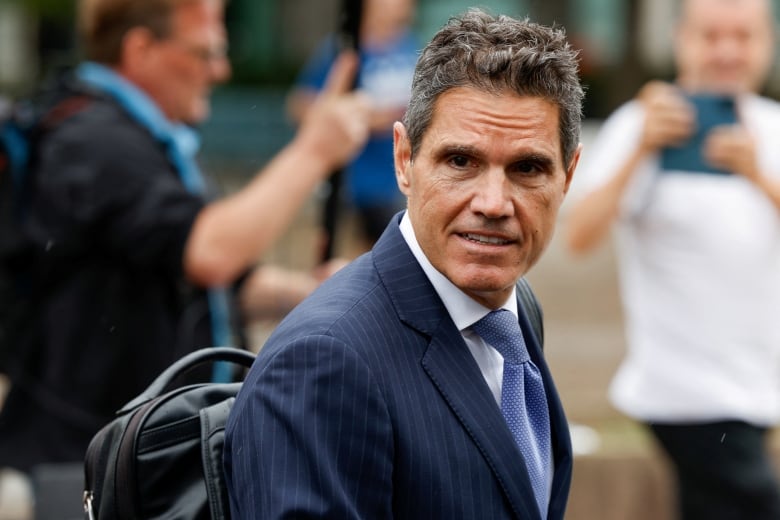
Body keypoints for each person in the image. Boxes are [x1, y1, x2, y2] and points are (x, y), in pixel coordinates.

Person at [225, 9, 584, 520]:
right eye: (461, 161)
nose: (493, 202)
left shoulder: (513, 307)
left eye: (527, 168)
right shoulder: (324, 361)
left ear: (568, 175)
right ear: (404, 159)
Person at [0, 0, 370, 474]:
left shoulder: (153, 138)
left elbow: (213, 282)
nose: (221, 69)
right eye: (205, 52)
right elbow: (209, 252)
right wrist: (315, 149)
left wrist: (310, 294)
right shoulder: (93, 140)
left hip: (142, 455)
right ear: (141, 49)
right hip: (81, 462)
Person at [565, 0, 780, 518]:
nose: (727, 51)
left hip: (758, 388)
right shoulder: (638, 124)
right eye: (711, 36)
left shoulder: (773, 128)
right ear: (681, 39)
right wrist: (643, 149)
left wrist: (757, 175)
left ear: (767, 43)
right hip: (683, 393)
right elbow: (579, 236)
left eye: (743, 36)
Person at [287, 0, 419, 253]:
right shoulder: (345, 48)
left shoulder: (409, 46)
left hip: (393, 181)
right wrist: (363, 118)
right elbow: (299, 104)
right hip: (350, 181)